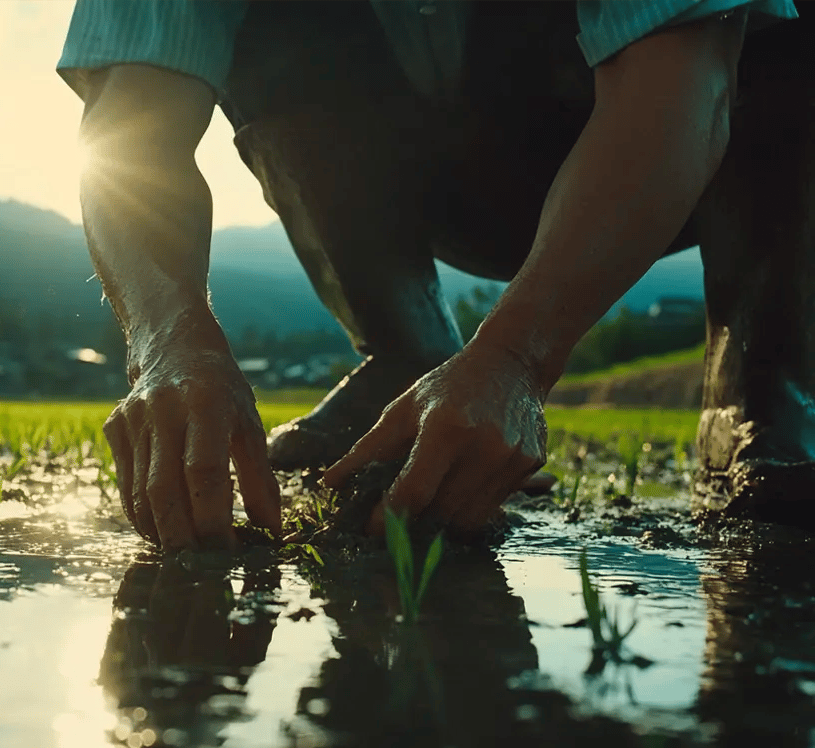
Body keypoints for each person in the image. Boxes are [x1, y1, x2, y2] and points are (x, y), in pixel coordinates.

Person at [57, 0, 805, 551]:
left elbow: (683, 77)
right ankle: (404, 353)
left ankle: (758, 381)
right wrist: (169, 338)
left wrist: (516, 358)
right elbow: (128, 133)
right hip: (430, 160)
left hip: (655, 138)